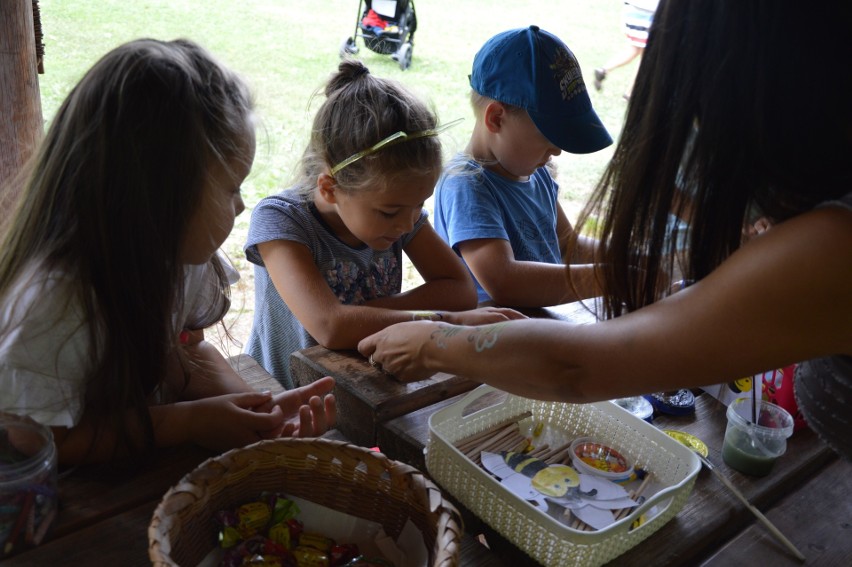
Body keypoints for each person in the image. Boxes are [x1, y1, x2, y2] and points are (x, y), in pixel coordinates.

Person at [359, 0, 852, 461]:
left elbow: (578, 365)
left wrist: (435, 342)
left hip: (520, 350)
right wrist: (625, 270)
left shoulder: (832, 244)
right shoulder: (469, 183)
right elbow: (511, 284)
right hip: (503, 359)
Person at [0, 39, 336, 467]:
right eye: (232, 187)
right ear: (156, 197)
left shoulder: (177, 257)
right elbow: (39, 440)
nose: (240, 205)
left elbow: (187, 352)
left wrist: (258, 412)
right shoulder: (56, 303)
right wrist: (187, 423)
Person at [244, 59, 523, 388]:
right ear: (330, 188)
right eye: (390, 212)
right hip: (287, 393)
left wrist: (364, 313)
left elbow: (460, 289)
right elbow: (330, 326)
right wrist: (448, 321)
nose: (408, 224)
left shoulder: (399, 211)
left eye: (419, 204)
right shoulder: (281, 220)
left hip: (366, 384)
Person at [433, 26, 613, 307]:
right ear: (496, 119)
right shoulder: (466, 184)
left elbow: (569, 246)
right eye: (548, 137)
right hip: (492, 339)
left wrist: (635, 260)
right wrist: (613, 278)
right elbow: (505, 281)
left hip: (542, 329)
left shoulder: (535, 170)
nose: (558, 150)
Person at [593, 0, 659, 101]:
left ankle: (604, 70)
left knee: (635, 49)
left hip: (631, 13)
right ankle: (630, 93)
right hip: (648, 15)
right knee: (645, 56)